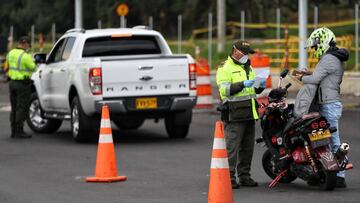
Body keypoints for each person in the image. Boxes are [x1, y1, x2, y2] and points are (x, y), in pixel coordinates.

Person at [295, 27, 349, 188]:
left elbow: (316, 78)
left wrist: (302, 77)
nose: (314, 49)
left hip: (329, 104)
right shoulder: (331, 57)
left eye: (315, 46)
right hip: (328, 102)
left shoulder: (329, 59)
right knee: (324, 139)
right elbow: (321, 76)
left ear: (323, 42)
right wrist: (308, 74)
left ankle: (339, 176)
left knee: (332, 140)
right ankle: (325, 171)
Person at [216, 40, 266, 189]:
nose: (245, 55)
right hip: (234, 114)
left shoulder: (248, 67)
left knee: (247, 148)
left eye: (247, 52)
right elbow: (224, 90)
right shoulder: (225, 68)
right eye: (243, 52)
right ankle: (229, 177)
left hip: (249, 113)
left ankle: (245, 176)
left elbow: (252, 91)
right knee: (232, 148)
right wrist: (242, 84)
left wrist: (259, 87)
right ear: (234, 51)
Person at [6, 36, 36, 138]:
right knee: (21, 108)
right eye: (28, 45)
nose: (28, 47)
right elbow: (33, 67)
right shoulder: (25, 56)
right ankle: (19, 131)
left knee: (14, 107)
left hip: (12, 83)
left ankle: (13, 131)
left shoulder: (10, 53)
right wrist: (33, 59)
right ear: (24, 43)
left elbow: (7, 67)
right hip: (22, 85)